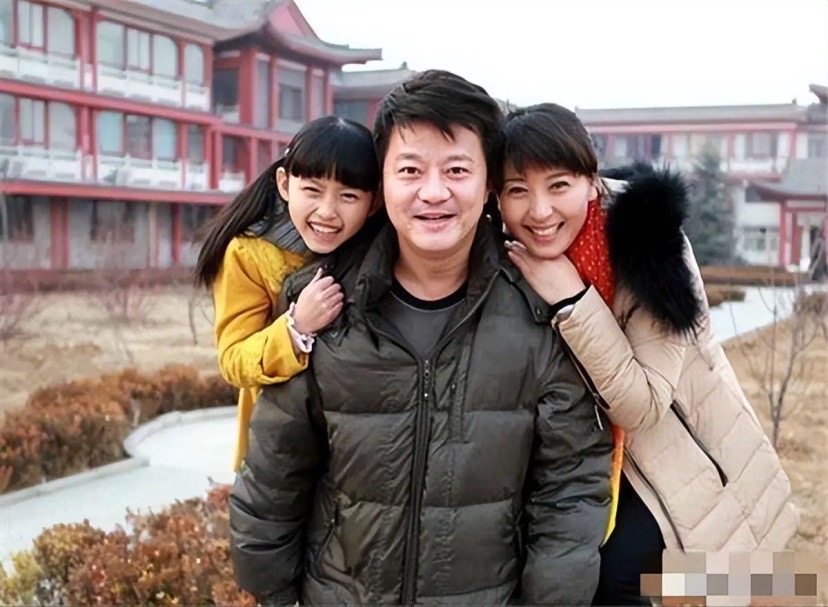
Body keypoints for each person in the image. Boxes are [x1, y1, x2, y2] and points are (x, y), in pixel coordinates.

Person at [228, 71, 613, 606]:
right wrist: (271, 590)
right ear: (382, 184)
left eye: (457, 170)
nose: (434, 192)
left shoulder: (541, 312)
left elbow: (568, 488)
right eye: (410, 170)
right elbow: (276, 468)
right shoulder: (323, 305)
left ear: (488, 184)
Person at [494, 103, 799, 604]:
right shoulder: (507, 250)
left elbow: (644, 404)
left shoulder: (649, 241)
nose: (540, 211)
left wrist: (573, 299)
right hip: (588, 456)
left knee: (621, 576)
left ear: (591, 182)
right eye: (517, 191)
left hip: (684, 455)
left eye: (558, 185)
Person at [194, 116, 381, 471]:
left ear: (373, 203)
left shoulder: (381, 249)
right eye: (312, 190)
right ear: (284, 184)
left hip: (359, 449)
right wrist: (295, 328)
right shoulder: (250, 253)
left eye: (348, 196)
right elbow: (233, 359)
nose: (327, 212)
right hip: (279, 450)